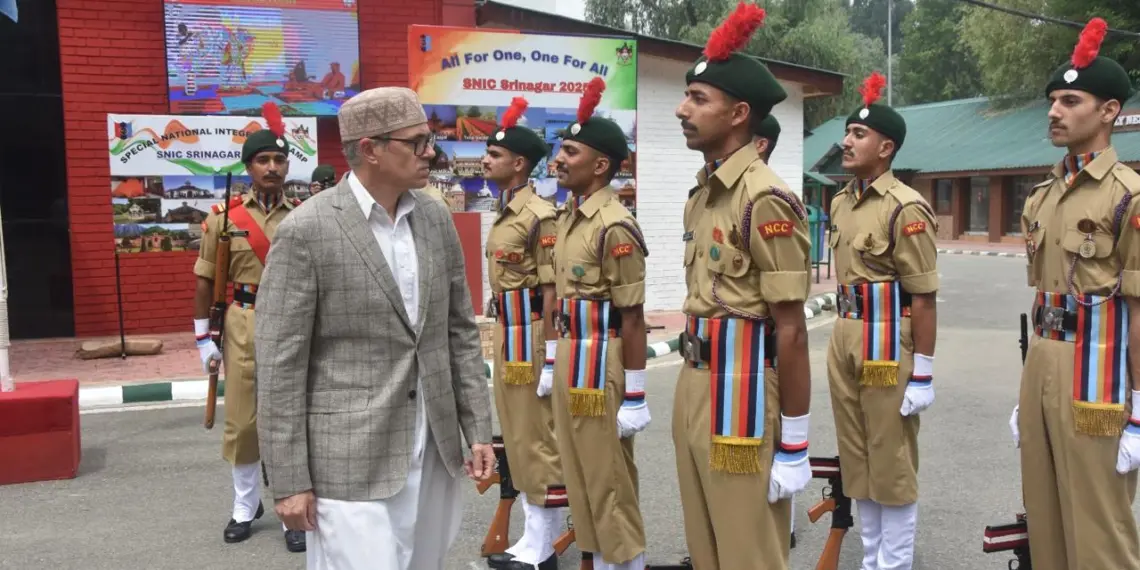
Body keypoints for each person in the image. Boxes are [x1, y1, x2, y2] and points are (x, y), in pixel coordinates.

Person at [253, 86, 495, 570]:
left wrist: (478, 429)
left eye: (430, 140)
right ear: (370, 149)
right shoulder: (307, 230)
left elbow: (459, 333)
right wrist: (289, 480)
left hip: (434, 448)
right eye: (417, 142)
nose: (432, 153)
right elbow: (280, 366)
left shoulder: (435, 217)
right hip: (348, 459)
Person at [672, 4, 812, 568]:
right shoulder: (704, 194)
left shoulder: (764, 198)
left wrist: (795, 441)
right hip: (694, 382)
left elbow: (791, 328)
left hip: (742, 392)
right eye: (686, 96)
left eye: (698, 99)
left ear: (739, 114)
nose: (682, 109)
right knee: (705, 546)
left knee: (748, 550)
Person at [1010, 17, 1140, 570]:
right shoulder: (1042, 195)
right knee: (1044, 520)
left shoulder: (1128, 195)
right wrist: (1028, 390)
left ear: (1108, 111)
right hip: (1043, 364)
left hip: (1098, 377)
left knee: (1099, 529)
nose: (1054, 111)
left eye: (1070, 101)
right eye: (1052, 102)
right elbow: (1044, 297)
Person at [827, 71, 938, 570]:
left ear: (886, 147)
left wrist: (924, 371)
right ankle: (870, 559)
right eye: (847, 132)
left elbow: (924, 295)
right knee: (857, 459)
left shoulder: (905, 207)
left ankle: (894, 564)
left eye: (858, 134)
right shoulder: (840, 202)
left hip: (888, 343)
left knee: (890, 460)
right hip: (845, 336)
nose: (846, 142)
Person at [192, 101, 306, 553]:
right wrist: (203, 338)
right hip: (242, 322)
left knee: (290, 421)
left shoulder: (304, 215)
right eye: (263, 160)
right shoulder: (222, 219)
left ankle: (291, 510)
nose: (272, 167)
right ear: (248, 167)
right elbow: (206, 280)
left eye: (279, 159)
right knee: (242, 423)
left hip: (294, 322)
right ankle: (244, 505)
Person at [549, 77, 649, 570]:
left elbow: (632, 315)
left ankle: (625, 562)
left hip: (601, 361)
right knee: (580, 474)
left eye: (571, 151)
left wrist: (635, 394)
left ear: (601, 165)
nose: (559, 158)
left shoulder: (615, 224)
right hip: (573, 357)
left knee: (608, 478)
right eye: (560, 148)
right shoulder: (569, 218)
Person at [481, 96, 566, 570]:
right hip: (507, 329)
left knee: (537, 436)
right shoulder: (505, 210)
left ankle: (543, 545)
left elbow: (552, 291)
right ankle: (533, 536)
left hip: (531, 331)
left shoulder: (540, 214)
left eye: (494, 155)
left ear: (518, 164)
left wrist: (550, 354)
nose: (485, 161)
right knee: (516, 433)